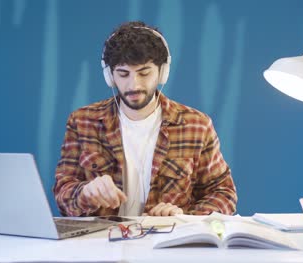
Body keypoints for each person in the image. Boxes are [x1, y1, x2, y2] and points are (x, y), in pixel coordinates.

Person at [53, 21, 237, 217]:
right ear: (110, 76)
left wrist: (185, 218)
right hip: (101, 242)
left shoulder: (197, 125)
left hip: (166, 242)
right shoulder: (82, 122)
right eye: (123, 74)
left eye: (144, 73)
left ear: (162, 73)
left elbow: (224, 193)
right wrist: (84, 194)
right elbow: (62, 193)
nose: (134, 85)